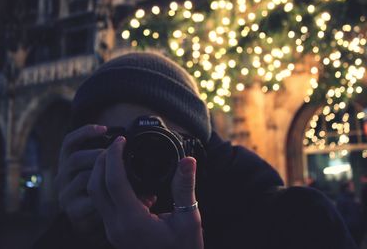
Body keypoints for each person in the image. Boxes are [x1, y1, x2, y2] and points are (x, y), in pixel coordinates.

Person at [33, 52, 357, 249]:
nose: (144, 162)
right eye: (121, 145)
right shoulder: (82, 232)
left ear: (198, 149)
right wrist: (75, 235)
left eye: (162, 143)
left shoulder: (299, 224)